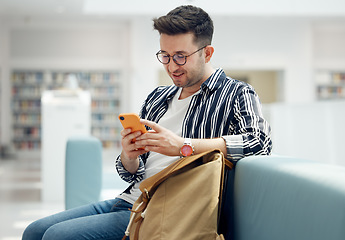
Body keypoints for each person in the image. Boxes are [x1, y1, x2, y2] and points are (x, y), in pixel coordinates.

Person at [22, 5, 272, 240]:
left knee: (56, 236)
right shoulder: (158, 97)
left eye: (180, 56)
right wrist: (129, 156)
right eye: (165, 55)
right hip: (130, 199)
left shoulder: (236, 93)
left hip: (165, 211)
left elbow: (259, 142)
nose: (171, 66)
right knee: (35, 231)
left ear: (207, 53)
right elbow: (131, 172)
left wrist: (184, 146)